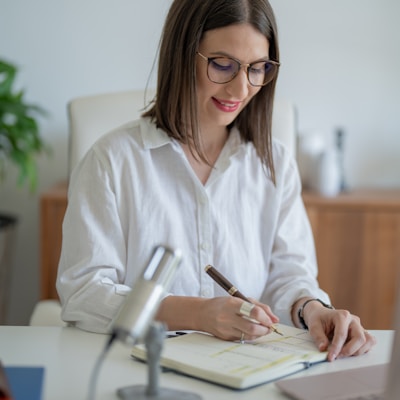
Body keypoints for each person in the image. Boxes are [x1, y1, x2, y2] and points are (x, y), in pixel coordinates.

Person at [57, 0, 375, 362]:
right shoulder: (111, 161)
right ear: (181, 56)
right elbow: (83, 294)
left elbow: (290, 275)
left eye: (258, 69)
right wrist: (196, 313)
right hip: (137, 369)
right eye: (222, 65)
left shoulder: (276, 163)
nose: (240, 89)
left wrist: (313, 310)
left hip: (245, 371)